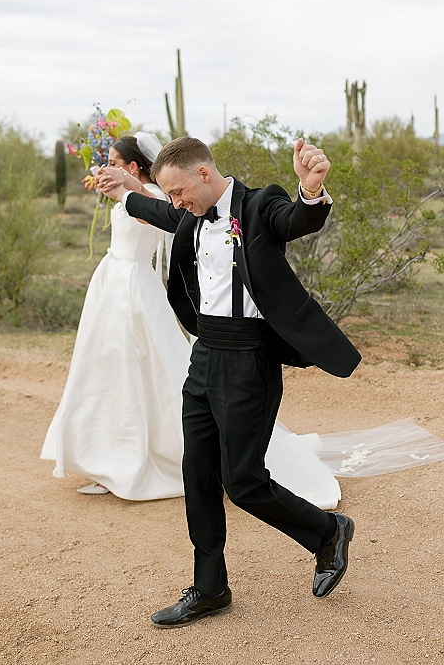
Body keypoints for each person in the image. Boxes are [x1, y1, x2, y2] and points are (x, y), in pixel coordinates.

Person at [98, 135, 360, 627]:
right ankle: (210, 588)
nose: (175, 203)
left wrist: (311, 193)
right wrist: (126, 189)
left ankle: (327, 531)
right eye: (169, 196)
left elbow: (295, 220)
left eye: (178, 193)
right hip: (205, 356)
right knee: (196, 472)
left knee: (241, 482)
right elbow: (154, 212)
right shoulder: (188, 216)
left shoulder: (260, 205)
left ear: (202, 174)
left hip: (249, 359)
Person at [40, 132, 192, 500]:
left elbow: (147, 221)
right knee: (104, 369)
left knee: (133, 368)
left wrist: (126, 190)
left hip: (132, 287)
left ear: (134, 167)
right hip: (112, 280)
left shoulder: (153, 197)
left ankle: (138, 460)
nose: (107, 167)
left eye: (114, 162)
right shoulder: (131, 190)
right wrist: (120, 187)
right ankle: (106, 459)